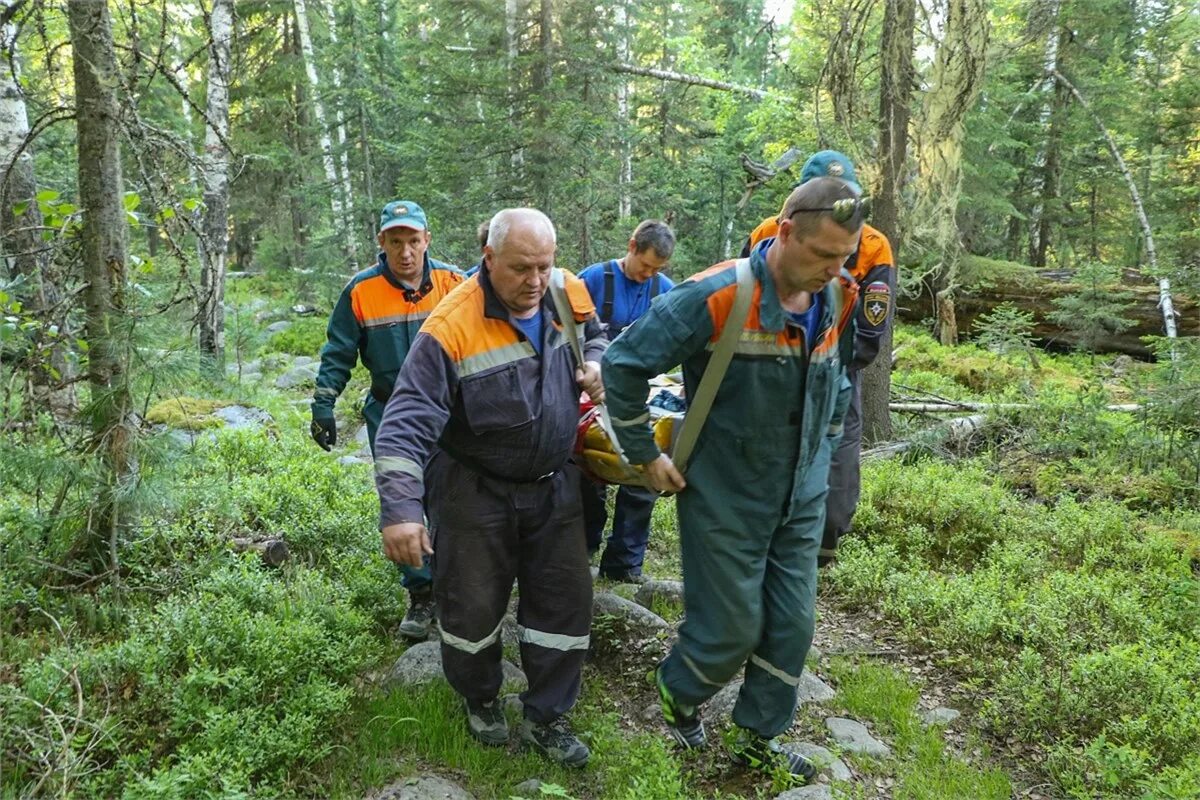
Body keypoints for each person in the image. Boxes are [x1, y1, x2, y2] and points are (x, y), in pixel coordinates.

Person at [602, 178, 863, 785]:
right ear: (785, 230)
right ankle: (680, 689)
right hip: (723, 494)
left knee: (792, 626)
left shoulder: (836, 297)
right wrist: (643, 455)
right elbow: (622, 363)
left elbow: (839, 382)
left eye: (844, 257)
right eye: (823, 254)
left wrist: (824, 452)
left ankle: (757, 740)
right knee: (731, 629)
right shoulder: (715, 296)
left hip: (801, 495)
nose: (833, 268)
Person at [372, 208, 606, 767]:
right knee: (471, 607)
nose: (534, 281)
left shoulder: (565, 288)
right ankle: (480, 697)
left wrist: (597, 363)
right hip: (473, 488)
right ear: (488, 259)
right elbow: (403, 423)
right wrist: (402, 510)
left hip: (554, 484)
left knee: (563, 603)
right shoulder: (449, 328)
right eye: (521, 268)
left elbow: (596, 337)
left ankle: (548, 714)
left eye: (543, 267)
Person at [310, 200, 463, 639]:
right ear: (382, 242)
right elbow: (338, 352)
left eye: (413, 241)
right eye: (395, 242)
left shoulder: (456, 282)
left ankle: (457, 582)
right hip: (392, 414)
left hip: (451, 412)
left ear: (426, 240)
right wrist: (323, 403)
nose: (406, 252)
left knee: (456, 496)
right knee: (402, 499)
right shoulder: (361, 290)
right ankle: (420, 594)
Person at [741, 151, 895, 567]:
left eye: (850, 198)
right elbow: (744, 296)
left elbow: (872, 326)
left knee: (838, 450)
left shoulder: (875, 245)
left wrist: (836, 366)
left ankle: (823, 548)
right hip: (771, 360)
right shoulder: (766, 233)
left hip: (835, 366)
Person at [577, 219, 676, 581]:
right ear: (632, 245)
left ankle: (624, 564)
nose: (647, 274)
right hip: (591, 398)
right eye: (644, 264)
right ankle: (583, 550)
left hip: (642, 398)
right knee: (589, 474)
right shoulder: (592, 279)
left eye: (656, 270)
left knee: (643, 476)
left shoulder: (665, 291)